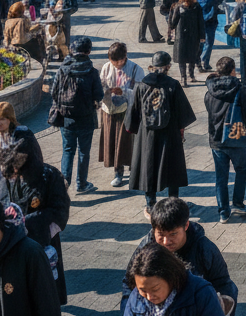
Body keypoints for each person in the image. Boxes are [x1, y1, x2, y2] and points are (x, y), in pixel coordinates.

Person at [123, 197, 238, 311]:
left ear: (186, 226)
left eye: (173, 234)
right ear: (153, 229)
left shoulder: (204, 248)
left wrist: (217, 313)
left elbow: (224, 284)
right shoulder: (146, 248)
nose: (166, 242)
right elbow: (129, 284)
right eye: (161, 235)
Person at [0, 137, 72, 304]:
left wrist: (34, 225)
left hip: (43, 240)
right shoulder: (9, 176)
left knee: (45, 285)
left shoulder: (49, 176)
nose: (16, 169)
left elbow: (60, 211)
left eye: (19, 165)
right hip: (14, 240)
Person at [127, 51, 197, 217]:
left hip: (147, 135)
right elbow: (183, 113)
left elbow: (133, 115)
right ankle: (173, 203)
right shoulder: (172, 85)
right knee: (172, 167)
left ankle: (150, 204)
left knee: (148, 166)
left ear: (152, 66)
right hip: (170, 134)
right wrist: (180, 129)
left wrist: (135, 130)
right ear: (168, 67)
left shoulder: (141, 85)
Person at [204, 56, 246, 224]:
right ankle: (238, 204)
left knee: (221, 177)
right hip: (235, 137)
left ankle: (223, 212)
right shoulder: (239, 89)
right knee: (241, 170)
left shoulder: (209, 91)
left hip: (216, 140)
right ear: (233, 70)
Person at [48, 36, 104, 194]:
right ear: (88, 51)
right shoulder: (92, 72)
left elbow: (53, 92)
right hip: (86, 117)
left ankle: (64, 186)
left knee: (68, 149)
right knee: (84, 151)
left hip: (66, 117)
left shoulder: (63, 69)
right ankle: (82, 184)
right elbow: (98, 95)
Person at [99, 41, 144, 188]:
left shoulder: (136, 69)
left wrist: (124, 91)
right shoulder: (106, 67)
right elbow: (101, 86)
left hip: (128, 112)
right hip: (109, 111)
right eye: (113, 61)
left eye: (118, 61)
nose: (116, 64)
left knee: (127, 143)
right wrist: (105, 91)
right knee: (113, 143)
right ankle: (118, 172)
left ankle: (135, 170)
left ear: (124, 57)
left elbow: (141, 93)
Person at [169, 0, 207, 87]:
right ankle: (186, 77)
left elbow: (200, 22)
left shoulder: (194, 7)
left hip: (187, 36)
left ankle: (188, 76)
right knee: (186, 57)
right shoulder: (181, 6)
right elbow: (173, 23)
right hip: (186, 36)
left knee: (190, 57)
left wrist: (202, 35)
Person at [195, 0, 222, 72]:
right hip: (206, 22)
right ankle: (202, 61)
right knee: (206, 43)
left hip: (203, 22)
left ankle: (202, 61)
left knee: (204, 43)